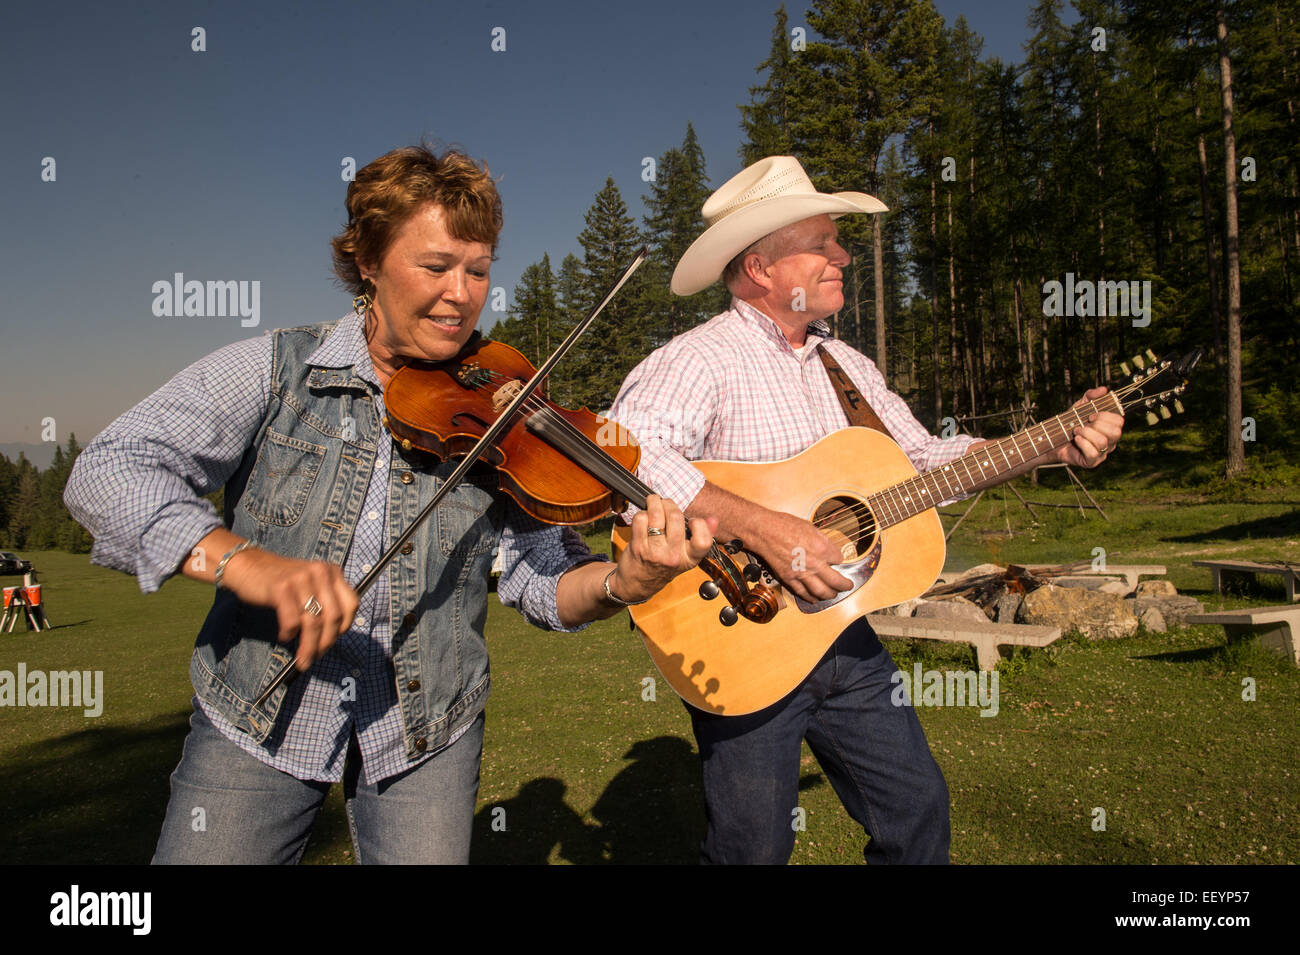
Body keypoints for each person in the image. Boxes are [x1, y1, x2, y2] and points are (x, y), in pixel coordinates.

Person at [64, 144, 713, 865]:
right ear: (367, 260)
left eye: (478, 269)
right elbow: (110, 467)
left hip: (427, 724)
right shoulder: (278, 368)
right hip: (259, 709)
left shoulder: (506, 405)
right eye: (435, 266)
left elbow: (539, 578)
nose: (462, 294)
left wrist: (627, 581)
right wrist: (243, 563)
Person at [607, 155, 1125, 864]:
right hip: (744, 635)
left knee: (917, 813)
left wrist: (1049, 443)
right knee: (751, 849)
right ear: (761, 268)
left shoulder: (846, 365)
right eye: (821, 243)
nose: (841, 255)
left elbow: (924, 461)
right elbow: (622, 454)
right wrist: (764, 526)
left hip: (846, 640)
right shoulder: (701, 359)